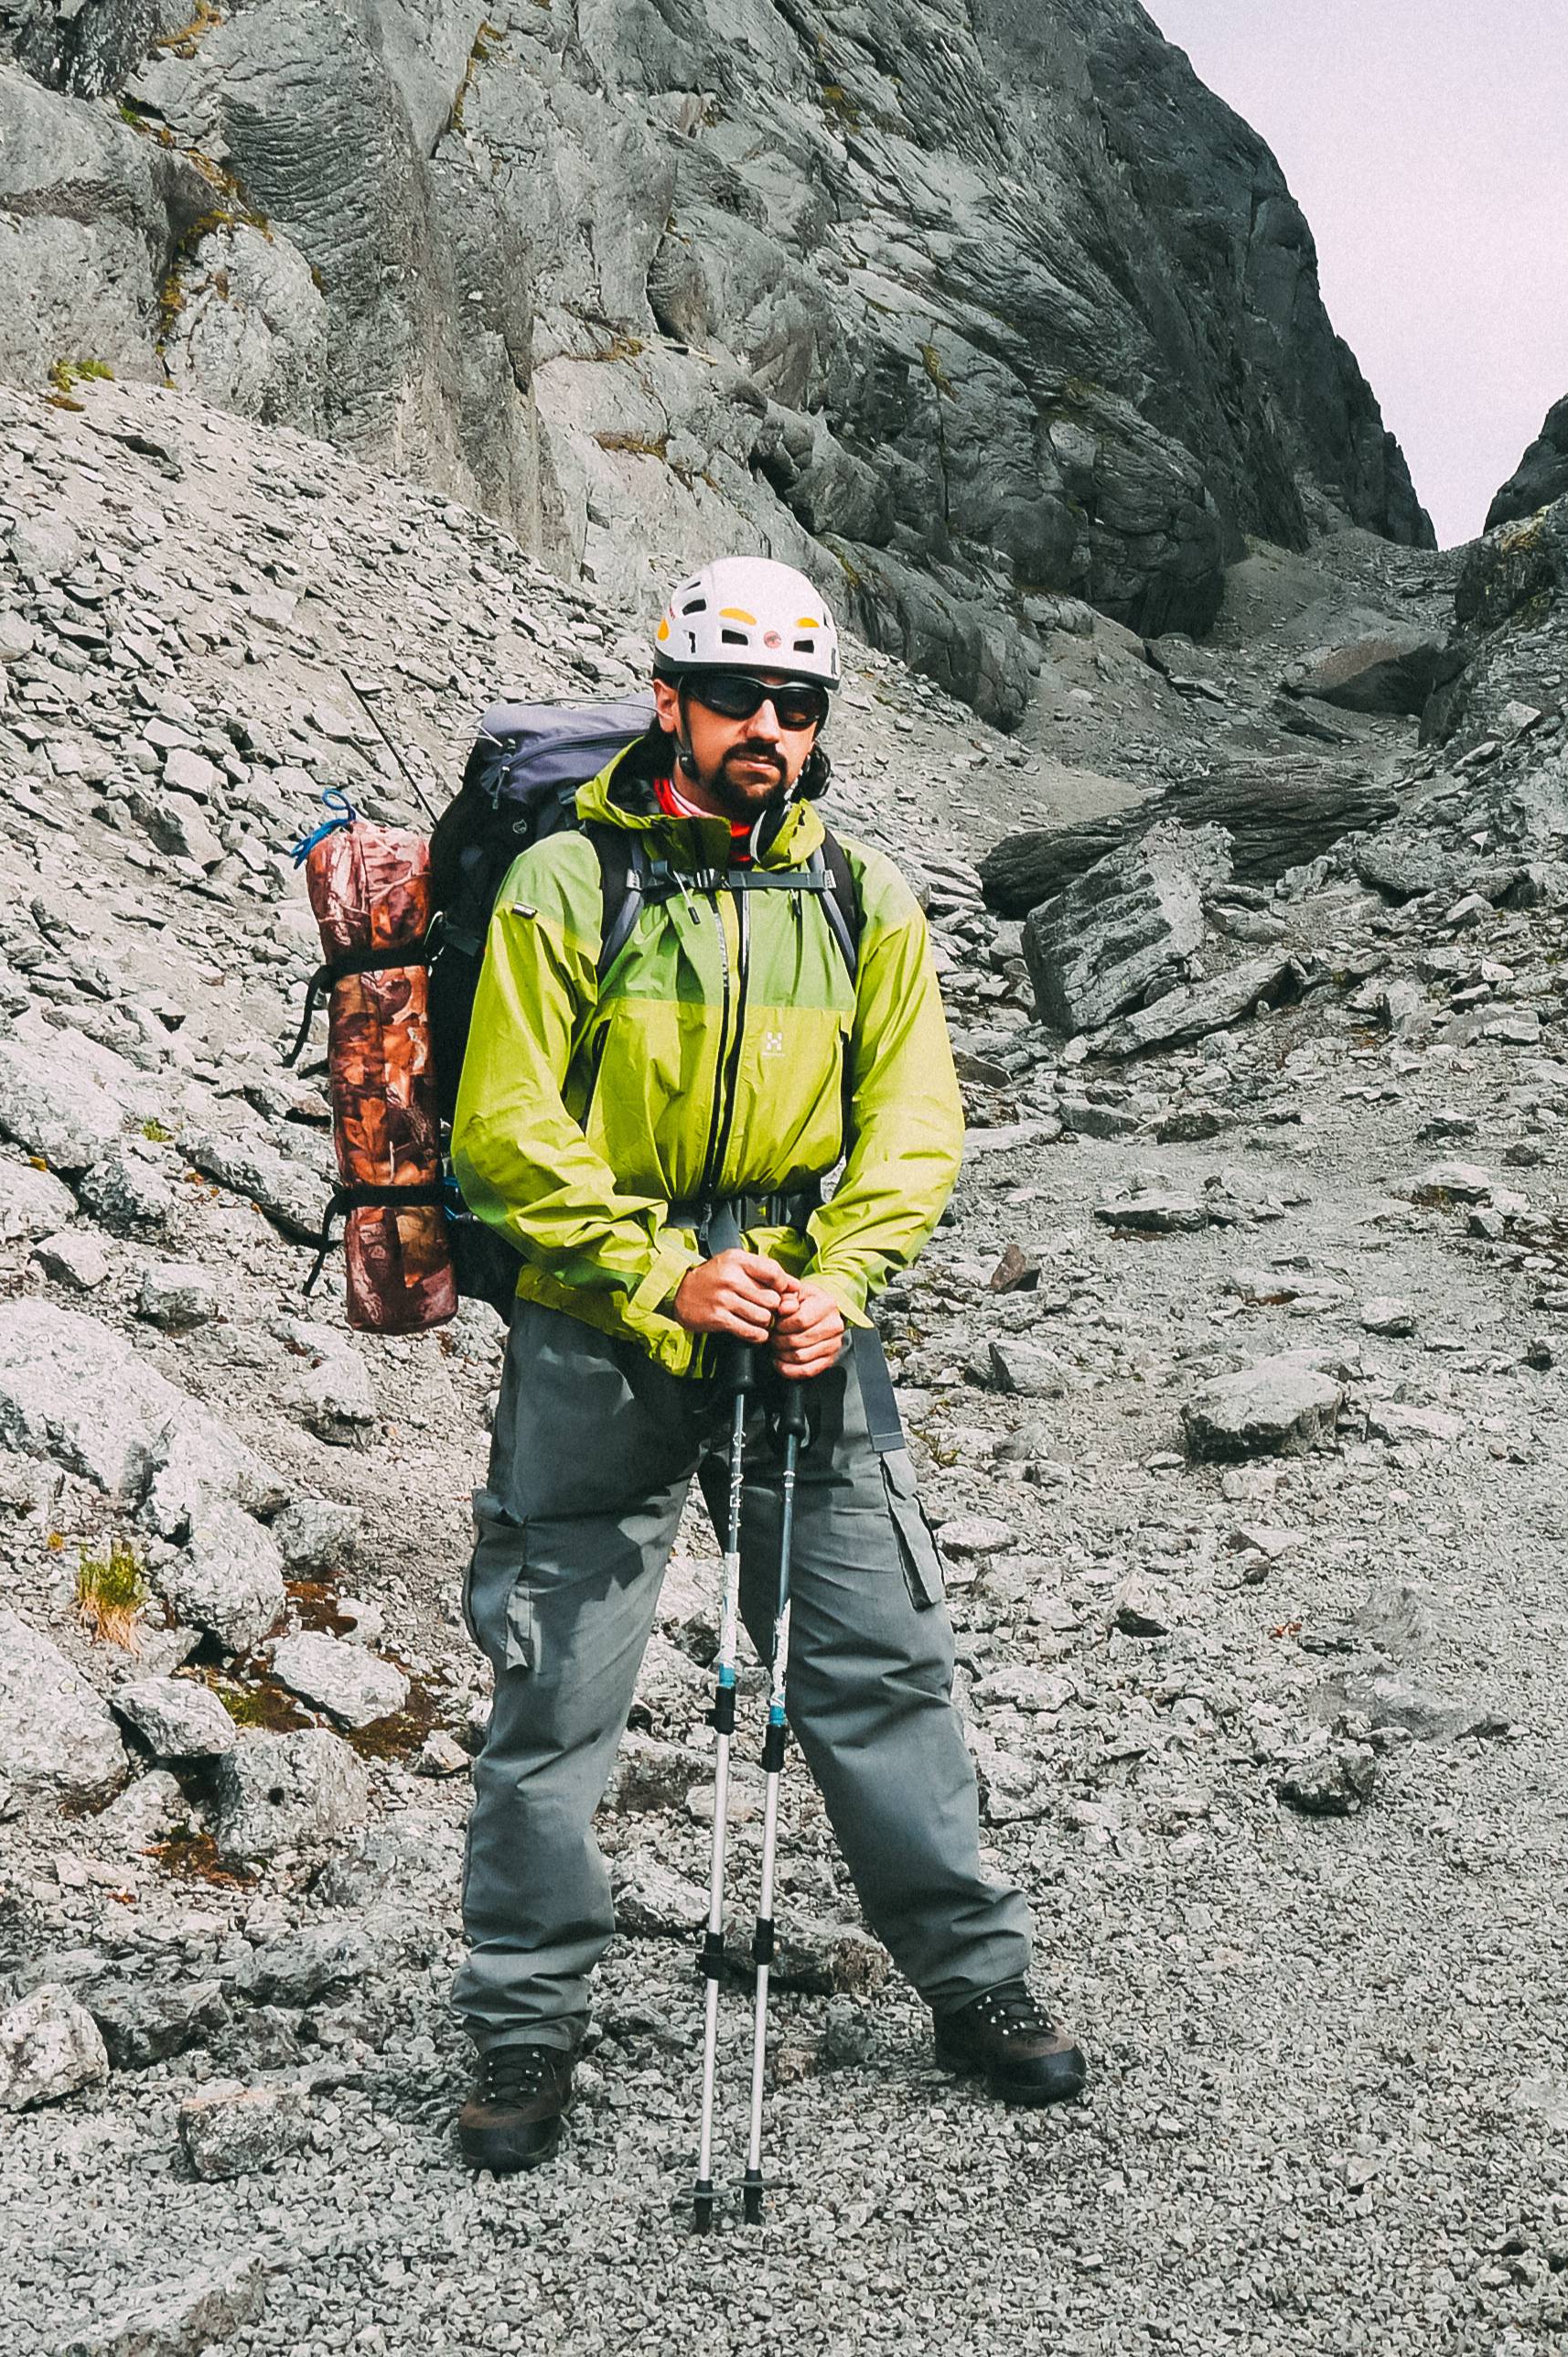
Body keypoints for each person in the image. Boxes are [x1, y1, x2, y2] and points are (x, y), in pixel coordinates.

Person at [437, 555, 1084, 2174]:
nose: (768, 733)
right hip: (607, 1330)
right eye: (737, 698)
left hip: (802, 1314)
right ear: (669, 700)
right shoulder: (567, 885)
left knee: (879, 1662)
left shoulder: (862, 896)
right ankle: (525, 2022)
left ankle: (974, 1978)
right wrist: (668, 1274)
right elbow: (505, 1136)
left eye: (797, 707)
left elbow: (915, 1124)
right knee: (555, 1689)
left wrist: (839, 1284)